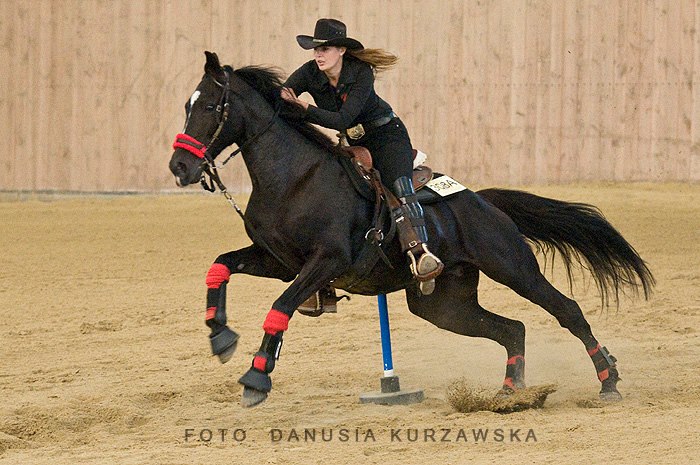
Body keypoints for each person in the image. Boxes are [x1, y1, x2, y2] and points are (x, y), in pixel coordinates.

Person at [281, 18, 443, 295]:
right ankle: (321, 277)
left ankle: (421, 253)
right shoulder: (309, 72)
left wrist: (304, 107)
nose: (318, 54)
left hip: (386, 137)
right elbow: (283, 95)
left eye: (326, 48)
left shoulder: (361, 71)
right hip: (352, 142)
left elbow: (344, 117)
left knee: (399, 187)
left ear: (342, 50)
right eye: (315, 49)